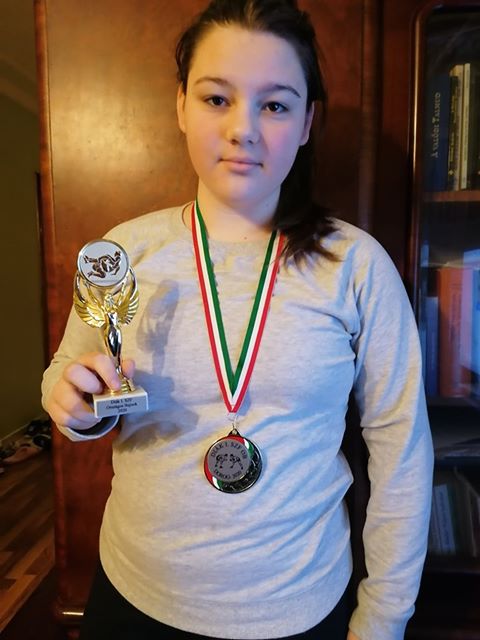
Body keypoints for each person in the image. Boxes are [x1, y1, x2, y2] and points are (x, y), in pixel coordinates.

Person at [41, 1, 434, 639]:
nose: (242, 129)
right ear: (181, 106)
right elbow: (68, 376)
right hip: (134, 594)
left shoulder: (356, 265)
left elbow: (402, 450)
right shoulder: (122, 252)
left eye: (274, 105)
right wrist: (74, 405)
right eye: (216, 99)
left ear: (307, 122)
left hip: (300, 607)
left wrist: (384, 618)